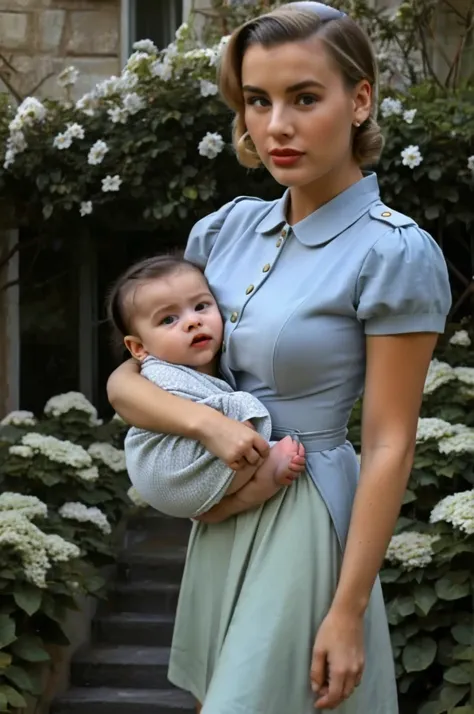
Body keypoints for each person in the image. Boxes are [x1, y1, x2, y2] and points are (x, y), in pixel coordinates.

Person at [107, 2, 452, 712]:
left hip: (309, 515)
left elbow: (390, 441)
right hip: (226, 509)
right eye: (258, 101)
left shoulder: (395, 251)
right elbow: (136, 374)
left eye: (304, 98)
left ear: (359, 100)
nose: (276, 127)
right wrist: (210, 429)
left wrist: (348, 607)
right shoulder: (223, 232)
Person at [106, 254, 305, 519]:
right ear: (139, 348)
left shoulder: (208, 367)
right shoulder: (159, 374)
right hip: (167, 470)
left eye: (201, 306)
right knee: (245, 433)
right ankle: (259, 477)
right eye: (168, 320)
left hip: (175, 489)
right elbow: (232, 427)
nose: (192, 321)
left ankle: (232, 502)